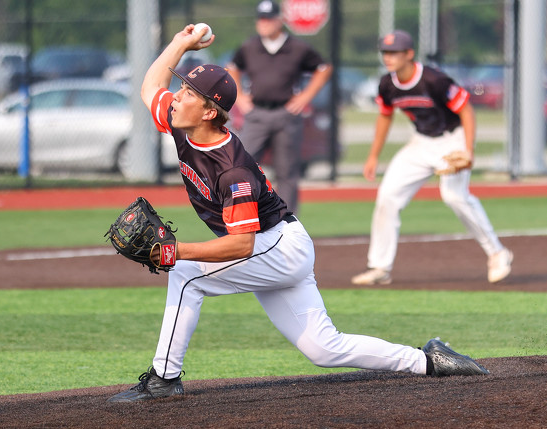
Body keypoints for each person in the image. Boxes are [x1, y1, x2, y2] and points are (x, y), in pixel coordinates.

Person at [107, 24, 489, 403]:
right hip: (275, 246)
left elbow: (241, 244)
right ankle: (428, 360)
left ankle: (163, 379)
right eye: (182, 88)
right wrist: (180, 43)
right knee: (325, 349)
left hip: (276, 247)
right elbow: (149, 87)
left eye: (188, 92)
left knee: (187, 274)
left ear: (209, 111)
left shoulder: (232, 170)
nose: (176, 96)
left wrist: (176, 252)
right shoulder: (182, 126)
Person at [351, 30, 513, 286]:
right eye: (385, 52)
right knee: (388, 196)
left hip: (453, 140)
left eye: (394, 52)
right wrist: (373, 156)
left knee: (454, 196)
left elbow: (467, 110)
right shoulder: (387, 84)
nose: (389, 57)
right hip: (421, 142)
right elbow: (385, 115)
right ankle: (380, 267)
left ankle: (497, 253)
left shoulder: (434, 80)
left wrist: (468, 151)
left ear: (409, 54)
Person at [226, 0, 333, 215]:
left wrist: (305, 96)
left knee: (287, 172)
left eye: (268, 19)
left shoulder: (297, 47)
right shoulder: (250, 46)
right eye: (261, 19)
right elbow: (232, 68)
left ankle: (287, 221)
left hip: (286, 114)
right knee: (241, 165)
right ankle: (244, 213)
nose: (263, 23)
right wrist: (240, 97)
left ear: (279, 20)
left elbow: (324, 68)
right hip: (257, 113)